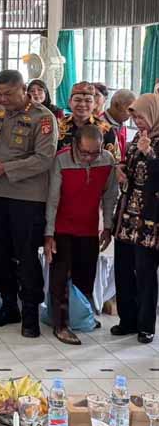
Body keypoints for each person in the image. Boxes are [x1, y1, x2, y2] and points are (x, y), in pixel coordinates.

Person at [0, 70, 58, 338]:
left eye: (8, 94)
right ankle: (9, 304)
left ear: (24, 90)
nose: (1, 99)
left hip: (27, 198)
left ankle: (31, 312)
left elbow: (45, 158)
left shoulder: (43, 117)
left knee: (26, 255)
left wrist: (6, 169)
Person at [44, 124, 117, 344]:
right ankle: (61, 325)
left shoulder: (107, 160)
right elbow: (52, 199)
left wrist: (108, 226)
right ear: (75, 145)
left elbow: (110, 195)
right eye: (85, 153)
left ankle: (79, 316)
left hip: (89, 229)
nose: (89, 158)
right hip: (62, 228)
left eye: (95, 153)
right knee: (60, 279)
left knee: (85, 277)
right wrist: (49, 234)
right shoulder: (61, 160)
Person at [112, 93, 159, 343]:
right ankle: (127, 320)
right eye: (135, 117)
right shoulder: (136, 138)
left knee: (145, 273)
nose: (138, 122)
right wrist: (120, 169)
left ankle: (145, 325)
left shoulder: (153, 142)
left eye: (141, 117)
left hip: (150, 219)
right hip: (128, 215)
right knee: (123, 269)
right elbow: (129, 165)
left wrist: (149, 153)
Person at [56, 82, 118, 158]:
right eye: (77, 100)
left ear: (94, 104)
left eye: (88, 101)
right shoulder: (58, 127)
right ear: (70, 102)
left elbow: (114, 160)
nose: (82, 104)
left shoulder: (106, 129)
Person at [102, 89, 136, 158]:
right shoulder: (100, 124)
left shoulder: (121, 123)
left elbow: (120, 148)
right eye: (129, 109)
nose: (131, 114)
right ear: (116, 105)